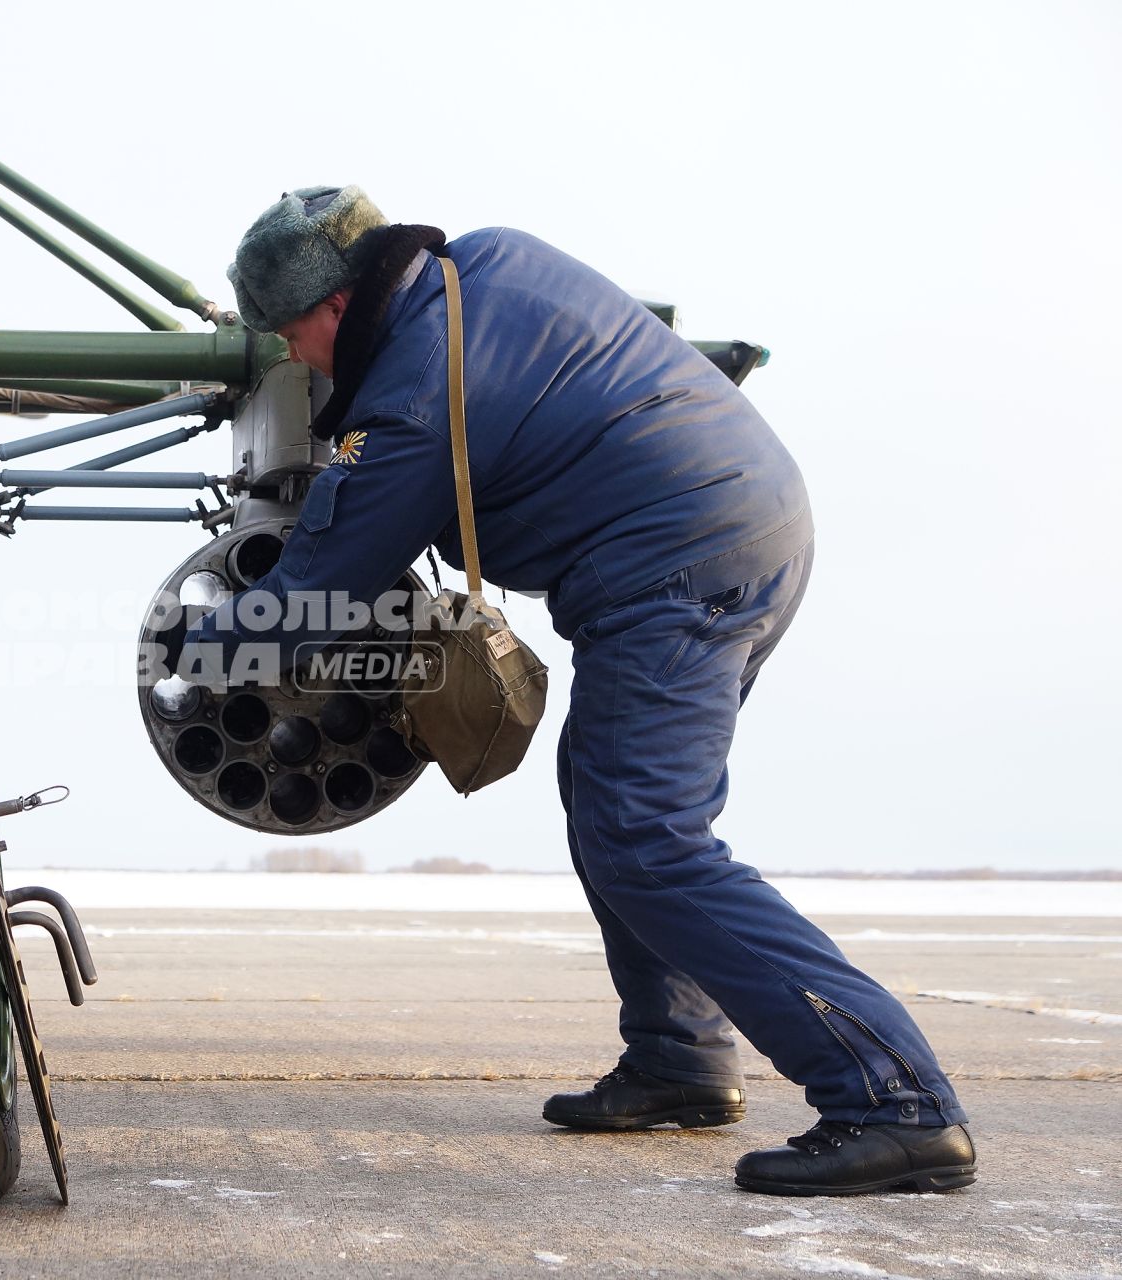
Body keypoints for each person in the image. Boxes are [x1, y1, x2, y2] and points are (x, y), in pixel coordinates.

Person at [177, 185, 976, 1196]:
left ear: (333, 305)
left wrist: (200, 655)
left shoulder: (415, 391)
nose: (294, 359)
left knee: (644, 835)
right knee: (611, 806)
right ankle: (677, 1057)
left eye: (292, 335)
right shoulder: (486, 264)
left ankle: (894, 1099)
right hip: (745, 525)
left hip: (676, 563)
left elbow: (321, 586)